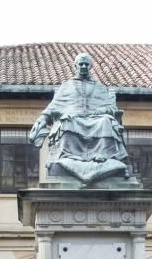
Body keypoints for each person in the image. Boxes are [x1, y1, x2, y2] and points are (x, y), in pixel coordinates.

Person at [29, 52, 131, 185]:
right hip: (74, 119)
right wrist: (40, 121)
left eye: (86, 64)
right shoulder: (66, 86)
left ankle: (104, 156)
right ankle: (69, 156)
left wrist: (105, 110)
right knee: (66, 121)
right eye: (81, 64)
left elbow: (112, 109)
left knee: (106, 121)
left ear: (90, 67)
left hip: (96, 119)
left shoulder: (99, 87)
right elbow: (53, 107)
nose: (83, 66)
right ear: (75, 65)